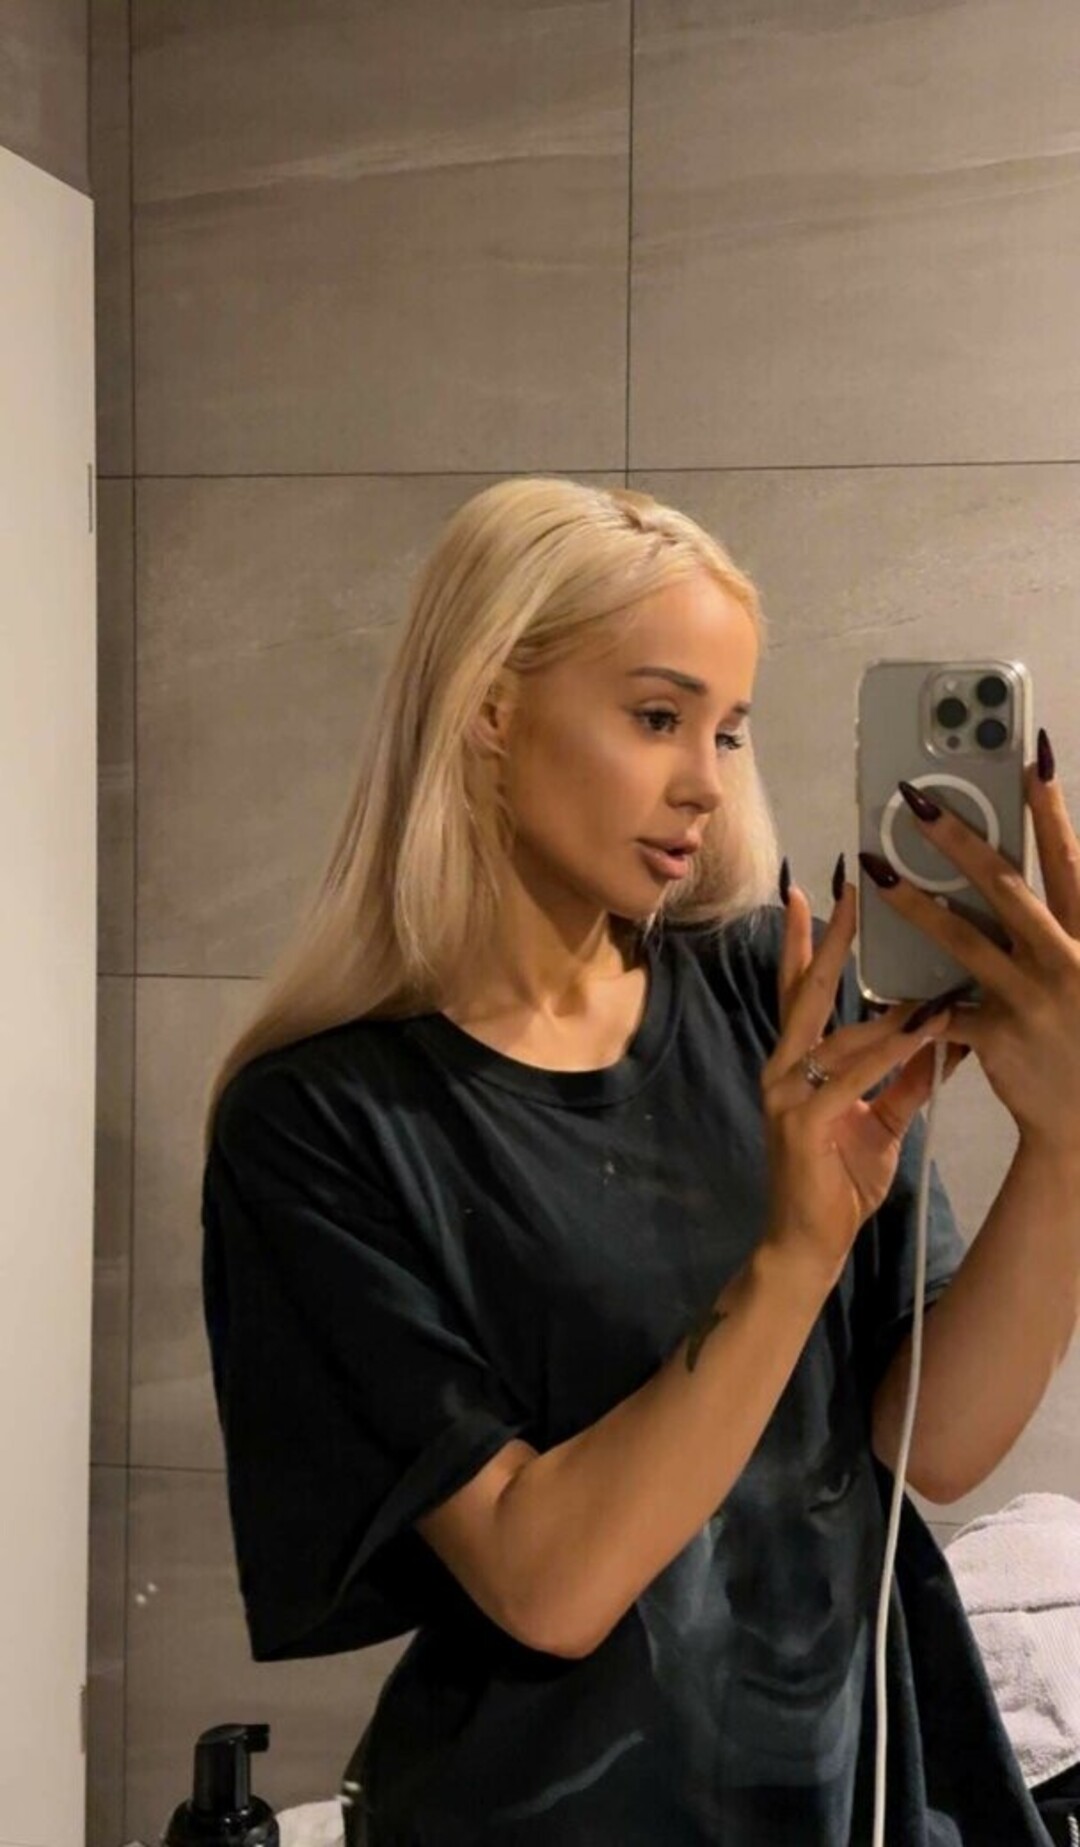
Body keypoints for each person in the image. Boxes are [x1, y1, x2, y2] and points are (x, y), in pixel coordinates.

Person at [200, 477, 1055, 1845]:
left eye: (728, 730)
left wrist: (1065, 1144)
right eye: (658, 717)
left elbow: (935, 1448)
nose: (707, 782)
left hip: (855, 1796)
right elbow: (549, 1584)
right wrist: (794, 1255)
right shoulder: (324, 1124)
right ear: (491, 707)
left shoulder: (770, 994)